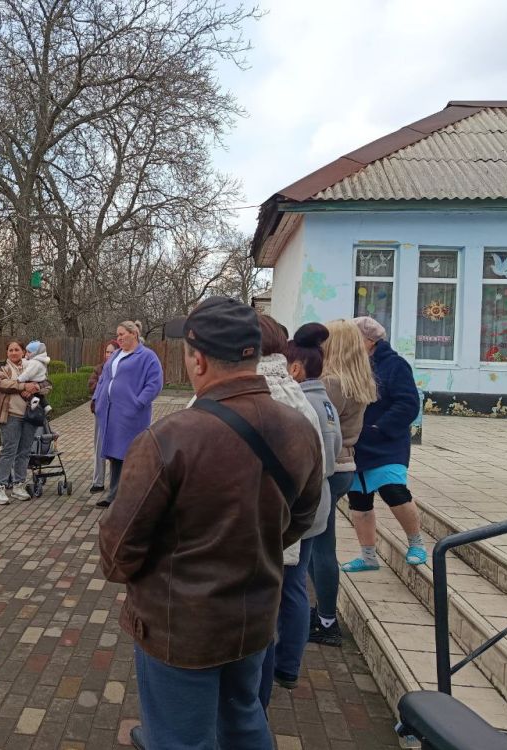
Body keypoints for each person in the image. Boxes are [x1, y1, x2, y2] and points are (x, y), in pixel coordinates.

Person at [100, 297, 323, 750]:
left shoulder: (169, 438)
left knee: (180, 737)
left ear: (197, 360)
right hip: (255, 614)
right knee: (243, 721)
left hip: (180, 627)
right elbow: (302, 518)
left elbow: (118, 549)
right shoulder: (300, 426)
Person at [251, 314, 330, 700]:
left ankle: (266, 686)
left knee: (268, 608)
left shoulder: (260, 398)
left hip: (267, 528)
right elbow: (322, 465)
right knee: (281, 599)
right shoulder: (296, 395)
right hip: (296, 519)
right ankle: (277, 677)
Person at [267, 323, 342, 688]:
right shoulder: (323, 401)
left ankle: (285, 665)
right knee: (294, 587)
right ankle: (288, 664)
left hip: (302, 506)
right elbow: (334, 452)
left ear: (295, 368)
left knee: (290, 589)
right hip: (317, 504)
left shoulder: (301, 403)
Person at [308, 319, 376, 647]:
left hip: (330, 467)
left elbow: (320, 426)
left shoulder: (332, 384)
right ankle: (324, 613)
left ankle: (326, 620)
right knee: (321, 542)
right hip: (344, 465)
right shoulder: (357, 380)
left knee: (319, 546)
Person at [341, 316, 426, 573]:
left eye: (354, 339)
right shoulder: (352, 364)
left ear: (370, 341)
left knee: (394, 491)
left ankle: (416, 544)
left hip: (387, 444)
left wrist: (380, 428)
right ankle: (368, 556)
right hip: (358, 444)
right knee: (359, 501)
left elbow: (408, 403)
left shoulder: (395, 365)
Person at [91, 320, 163, 509]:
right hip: (110, 413)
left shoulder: (147, 356)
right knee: (115, 454)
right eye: (117, 335)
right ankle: (114, 494)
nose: (119, 338)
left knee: (130, 454)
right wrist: (98, 399)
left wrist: (138, 403)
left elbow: (155, 384)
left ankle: (132, 496)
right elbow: (103, 379)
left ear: (134, 334)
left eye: (122, 334)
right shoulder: (115, 355)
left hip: (131, 415)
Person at [0, 340, 53, 505]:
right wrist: (24, 386)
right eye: (10, 350)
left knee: (24, 451)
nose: (13, 352)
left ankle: (19, 485)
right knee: (8, 451)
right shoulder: (2, 367)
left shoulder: (33, 364)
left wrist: (36, 388)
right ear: (7, 352)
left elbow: (47, 384)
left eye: (17, 349)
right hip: (10, 415)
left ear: (23, 352)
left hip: (30, 416)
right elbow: (1, 383)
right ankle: (0, 487)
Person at [88, 340, 118, 493]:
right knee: (99, 447)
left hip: (117, 414)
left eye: (112, 352)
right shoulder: (99, 369)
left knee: (115, 449)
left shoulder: (122, 368)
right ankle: (98, 482)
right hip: (100, 412)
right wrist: (103, 383)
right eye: (107, 352)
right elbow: (91, 386)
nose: (109, 355)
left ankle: (115, 483)